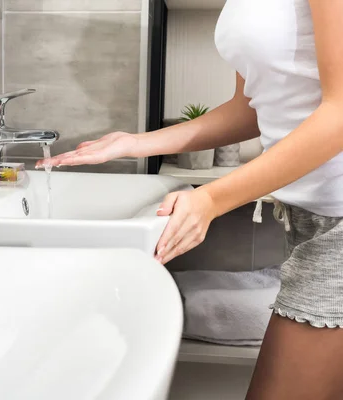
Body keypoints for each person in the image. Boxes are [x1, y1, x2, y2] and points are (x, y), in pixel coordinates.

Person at [37, 0, 343, 398]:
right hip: (311, 216)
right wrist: (138, 144)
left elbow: (339, 112)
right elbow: (249, 107)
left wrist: (213, 199)